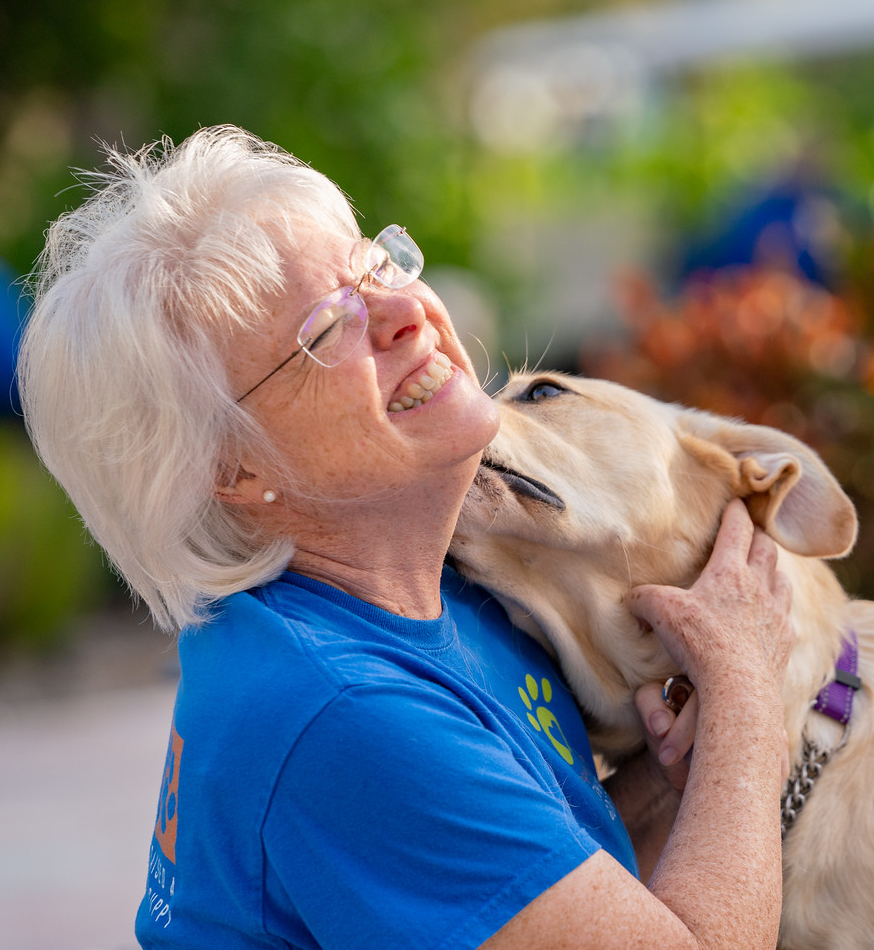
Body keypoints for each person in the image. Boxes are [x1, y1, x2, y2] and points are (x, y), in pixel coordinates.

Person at [18, 125, 793, 949]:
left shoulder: (440, 592)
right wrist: (748, 699)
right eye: (321, 332)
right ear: (235, 470)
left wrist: (668, 783)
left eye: (374, 265)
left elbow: (529, 887)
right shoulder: (343, 714)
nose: (399, 314)